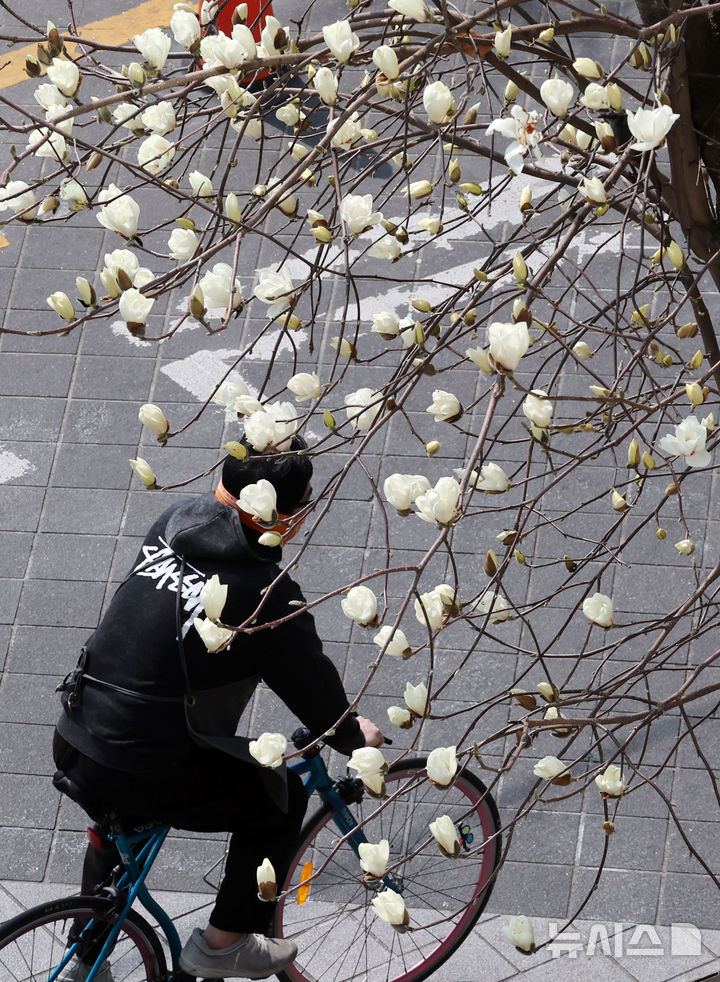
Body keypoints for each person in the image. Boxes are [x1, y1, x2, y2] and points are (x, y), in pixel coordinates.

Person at [53, 436, 384, 981]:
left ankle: (84, 960)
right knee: (279, 800)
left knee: (121, 820)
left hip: (80, 729)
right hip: (148, 760)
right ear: (287, 515)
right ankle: (222, 945)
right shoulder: (266, 594)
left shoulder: (175, 520)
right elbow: (311, 687)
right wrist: (352, 738)